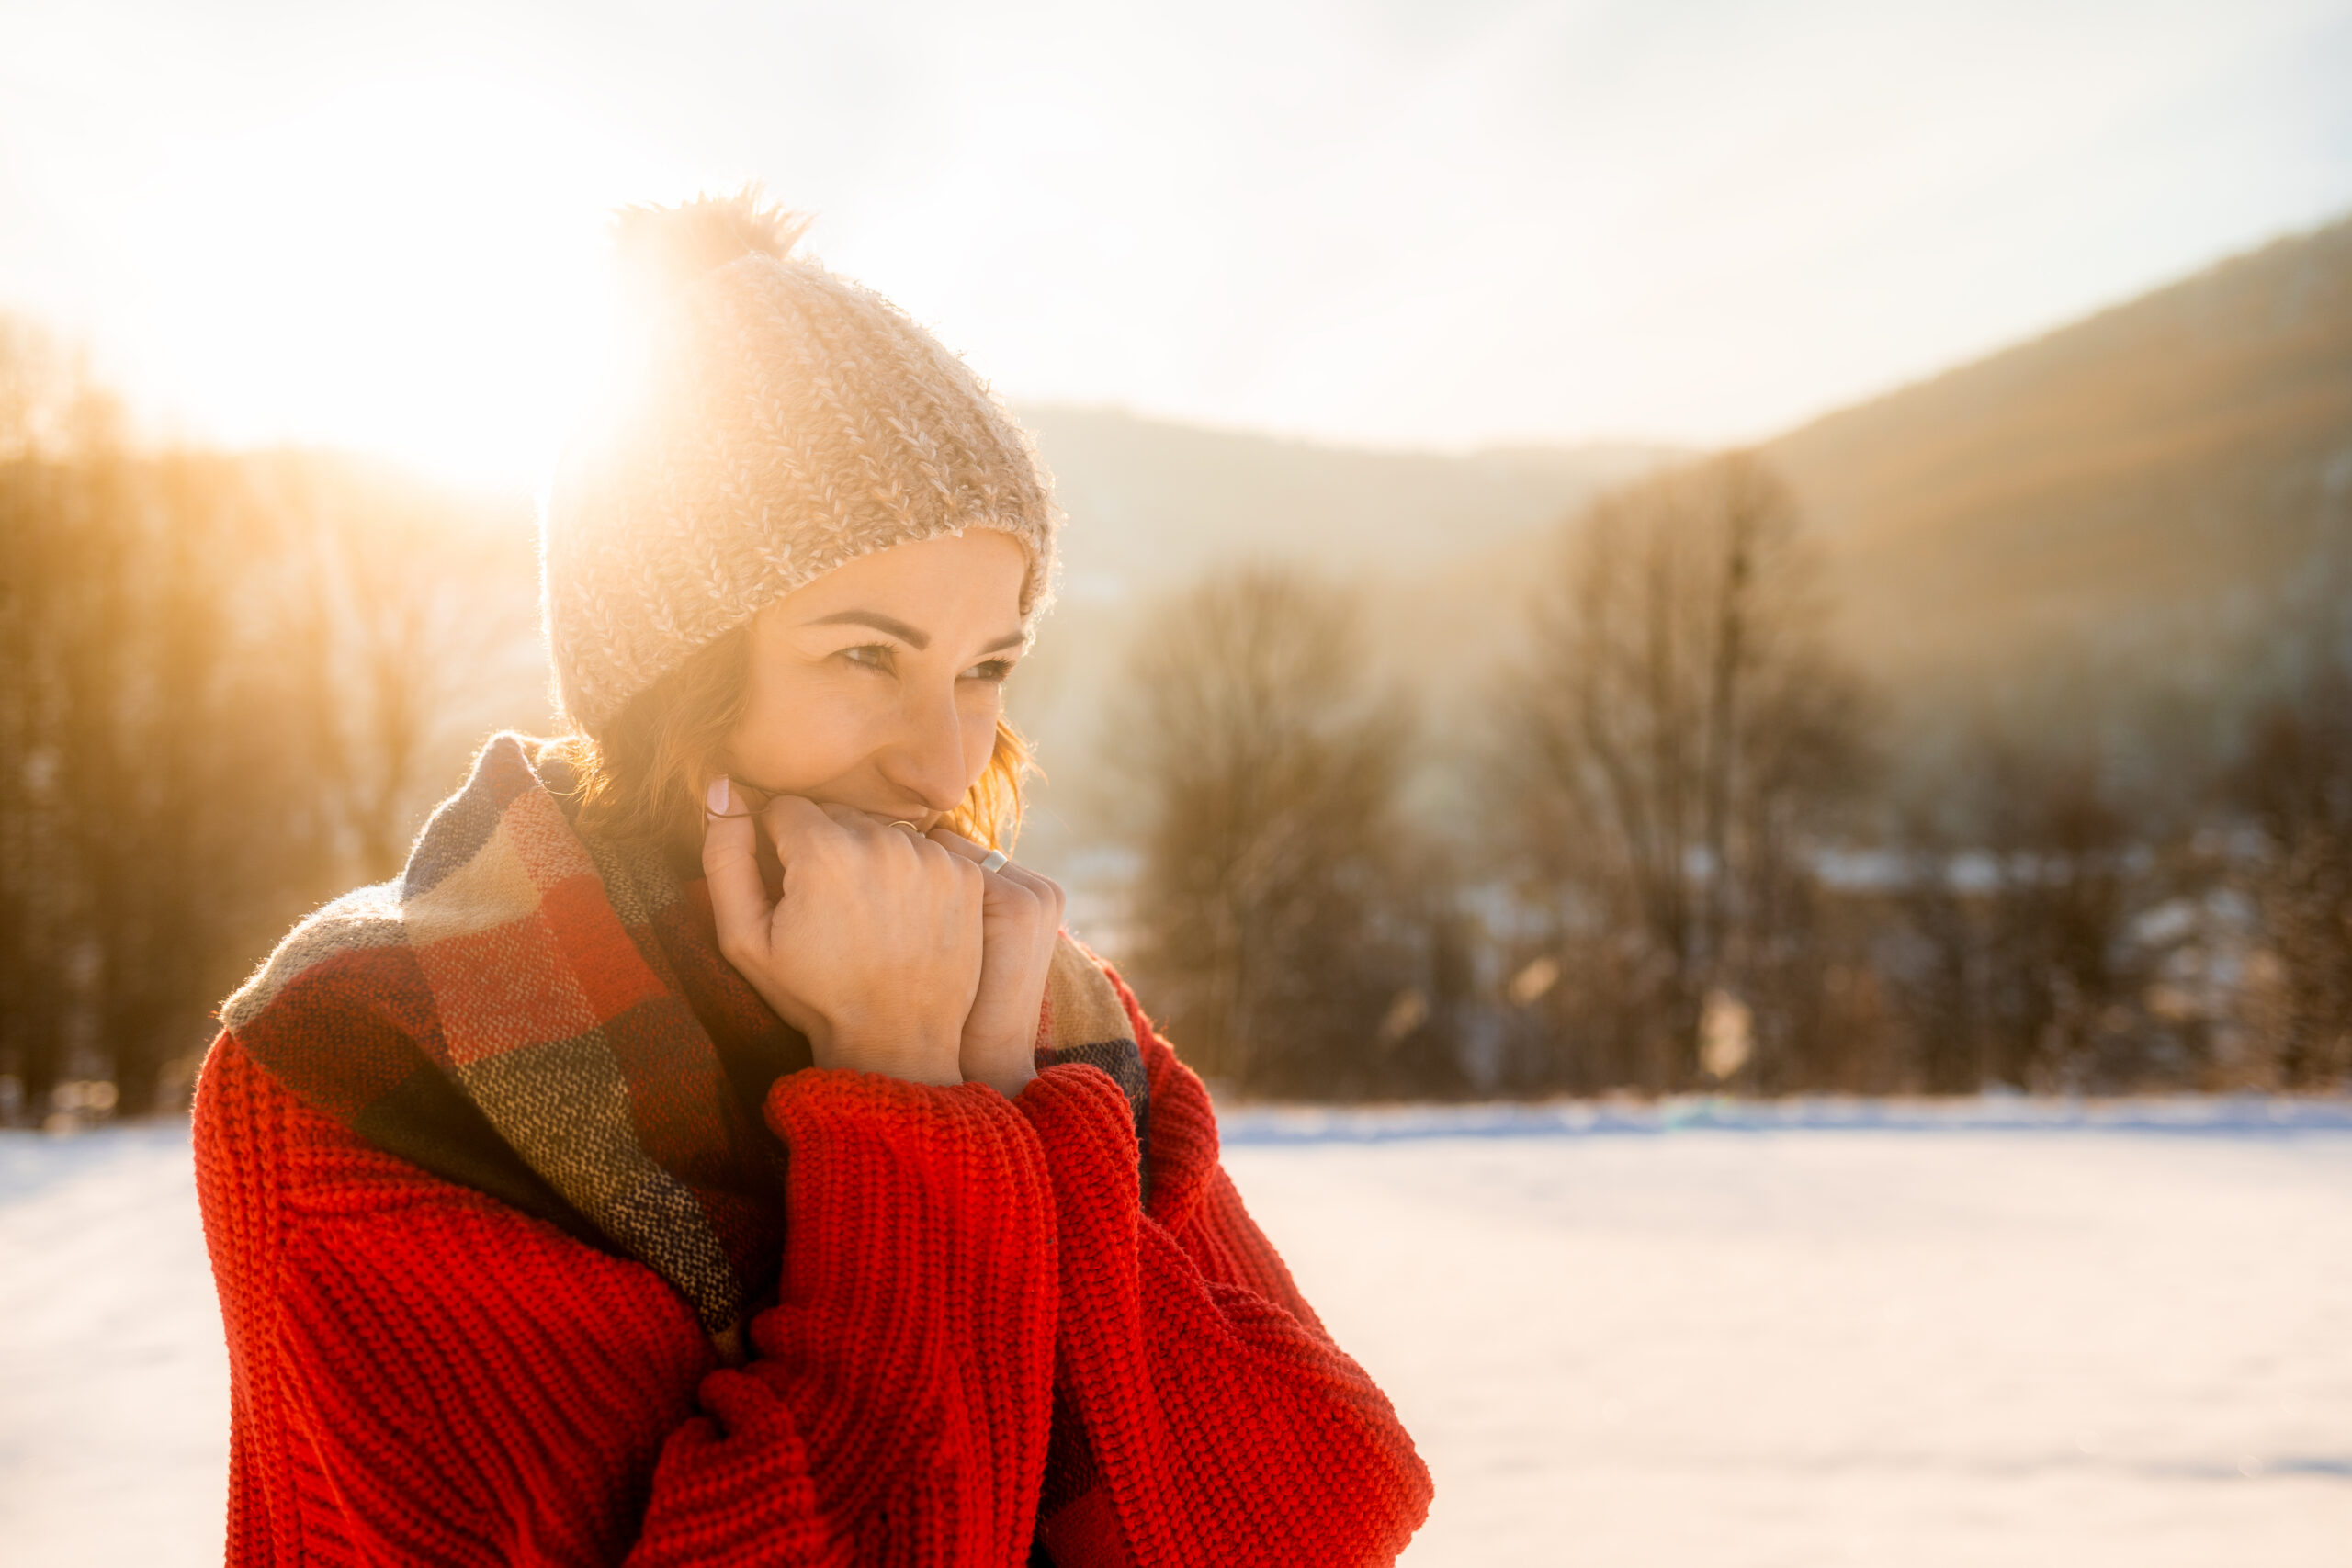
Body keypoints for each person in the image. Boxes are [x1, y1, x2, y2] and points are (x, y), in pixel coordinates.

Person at [192, 190, 1432, 1567]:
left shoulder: (1048, 1005)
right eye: (865, 656)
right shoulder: (379, 1053)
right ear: (676, 677)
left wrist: (1019, 1108)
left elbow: (1319, 1521)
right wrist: (904, 1113)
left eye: (986, 666)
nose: (945, 758)